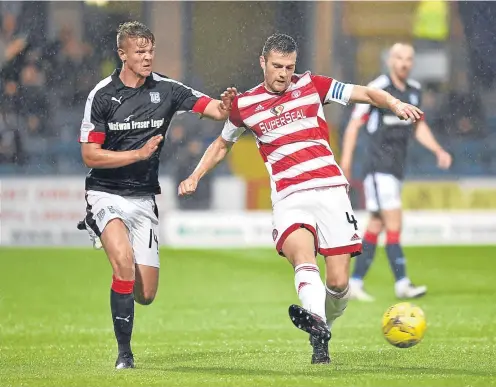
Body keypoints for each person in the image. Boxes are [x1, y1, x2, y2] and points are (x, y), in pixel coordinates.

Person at [178, 34, 423, 364]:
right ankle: (316, 320)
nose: (283, 73)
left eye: (289, 67)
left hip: (331, 191)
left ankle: (323, 330)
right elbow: (222, 144)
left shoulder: (312, 85)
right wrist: (195, 175)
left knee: (338, 284)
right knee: (303, 257)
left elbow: (362, 92)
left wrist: (393, 103)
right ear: (262, 63)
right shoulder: (244, 105)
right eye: (277, 66)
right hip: (290, 196)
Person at [76, 21, 236, 369]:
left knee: (145, 294)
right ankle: (125, 355)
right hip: (105, 193)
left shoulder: (167, 90)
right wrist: (137, 154)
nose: (147, 57)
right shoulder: (102, 95)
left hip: (144, 199)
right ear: (122, 54)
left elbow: (215, 111)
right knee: (122, 263)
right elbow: (90, 155)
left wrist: (226, 105)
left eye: (150, 51)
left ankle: (124, 288)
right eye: (139, 52)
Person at [340, 43, 452, 302]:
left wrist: (438, 150)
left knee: (377, 225)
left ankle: (354, 282)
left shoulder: (413, 91)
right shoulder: (376, 88)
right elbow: (354, 125)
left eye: (409, 59)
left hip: (396, 168)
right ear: (391, 60)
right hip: (378, 168)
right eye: (399, 58)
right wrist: (345, 162)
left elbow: (418, 127)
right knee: (394, 222)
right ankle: (402, 282)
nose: (404, 63)